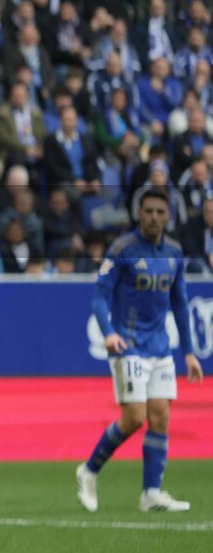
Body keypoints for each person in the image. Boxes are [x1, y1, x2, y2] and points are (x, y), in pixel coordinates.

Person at [76, 189, 203, 514]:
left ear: (168, 216)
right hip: (128, 345)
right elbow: (100, 296)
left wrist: (188, 352)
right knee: (134, 418)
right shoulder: (123, 248)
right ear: (139, 213)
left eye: (160, 211)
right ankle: (89, 470)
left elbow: (179, 302)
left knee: (160, 415)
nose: (154, 217)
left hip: (160, 346)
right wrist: (108, 333)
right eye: (148, 211)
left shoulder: (174, 251)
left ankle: (151, 493)